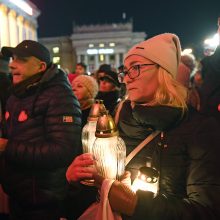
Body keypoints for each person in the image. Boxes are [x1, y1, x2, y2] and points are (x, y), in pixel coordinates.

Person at [66, 33, 220, 220]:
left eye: (136, 68)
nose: (127, 79)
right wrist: (76, 181)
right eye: (125, 71)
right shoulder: (116, 118)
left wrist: (136, 205)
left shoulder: (199, 128)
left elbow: (206, 210)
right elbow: (97, 193)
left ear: (163, 70)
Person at [0, 40, 82, 220]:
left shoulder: (60, 96)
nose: (12, 64)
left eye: (21, 60)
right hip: (17, 194)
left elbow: (62, 152)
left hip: (44, 200)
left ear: (40, 66)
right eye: (12, 58)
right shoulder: (16, 95)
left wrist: (7, 147)